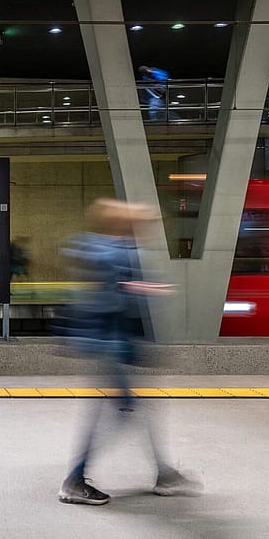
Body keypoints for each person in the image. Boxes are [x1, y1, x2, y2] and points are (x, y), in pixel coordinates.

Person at [55, 199, 197, 505]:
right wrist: (146, 289)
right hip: (111, 346)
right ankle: (74, 479)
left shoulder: (99, 247)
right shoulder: (118, 252)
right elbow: (117, 298)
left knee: (137, 410)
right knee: (122, 414)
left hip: (110, 343)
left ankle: (164, 474)